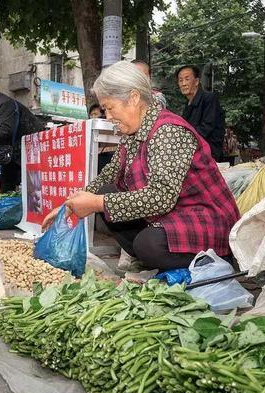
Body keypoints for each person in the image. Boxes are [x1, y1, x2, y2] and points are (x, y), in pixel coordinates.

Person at [42, 61, 239, 270]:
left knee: (148, 244)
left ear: (134, 98)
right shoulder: (132, 132)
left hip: (204, 218)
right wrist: (69, 205)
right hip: (174, 214)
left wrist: (97, 203)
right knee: (105, 191)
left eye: (110, 108)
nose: (108, 116)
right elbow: (109, 174)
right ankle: (159, 262)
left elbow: (161, 197)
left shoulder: (168, 131)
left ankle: (214, 260)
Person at [177, 65, 225, 161]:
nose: (183, 83)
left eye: (187, 79)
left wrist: (181, 142)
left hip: (208, 155)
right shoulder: (187, 104)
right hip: (191, 153)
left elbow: (205, 128)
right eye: (180, 80)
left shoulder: (209, 98)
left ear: (196, 81)